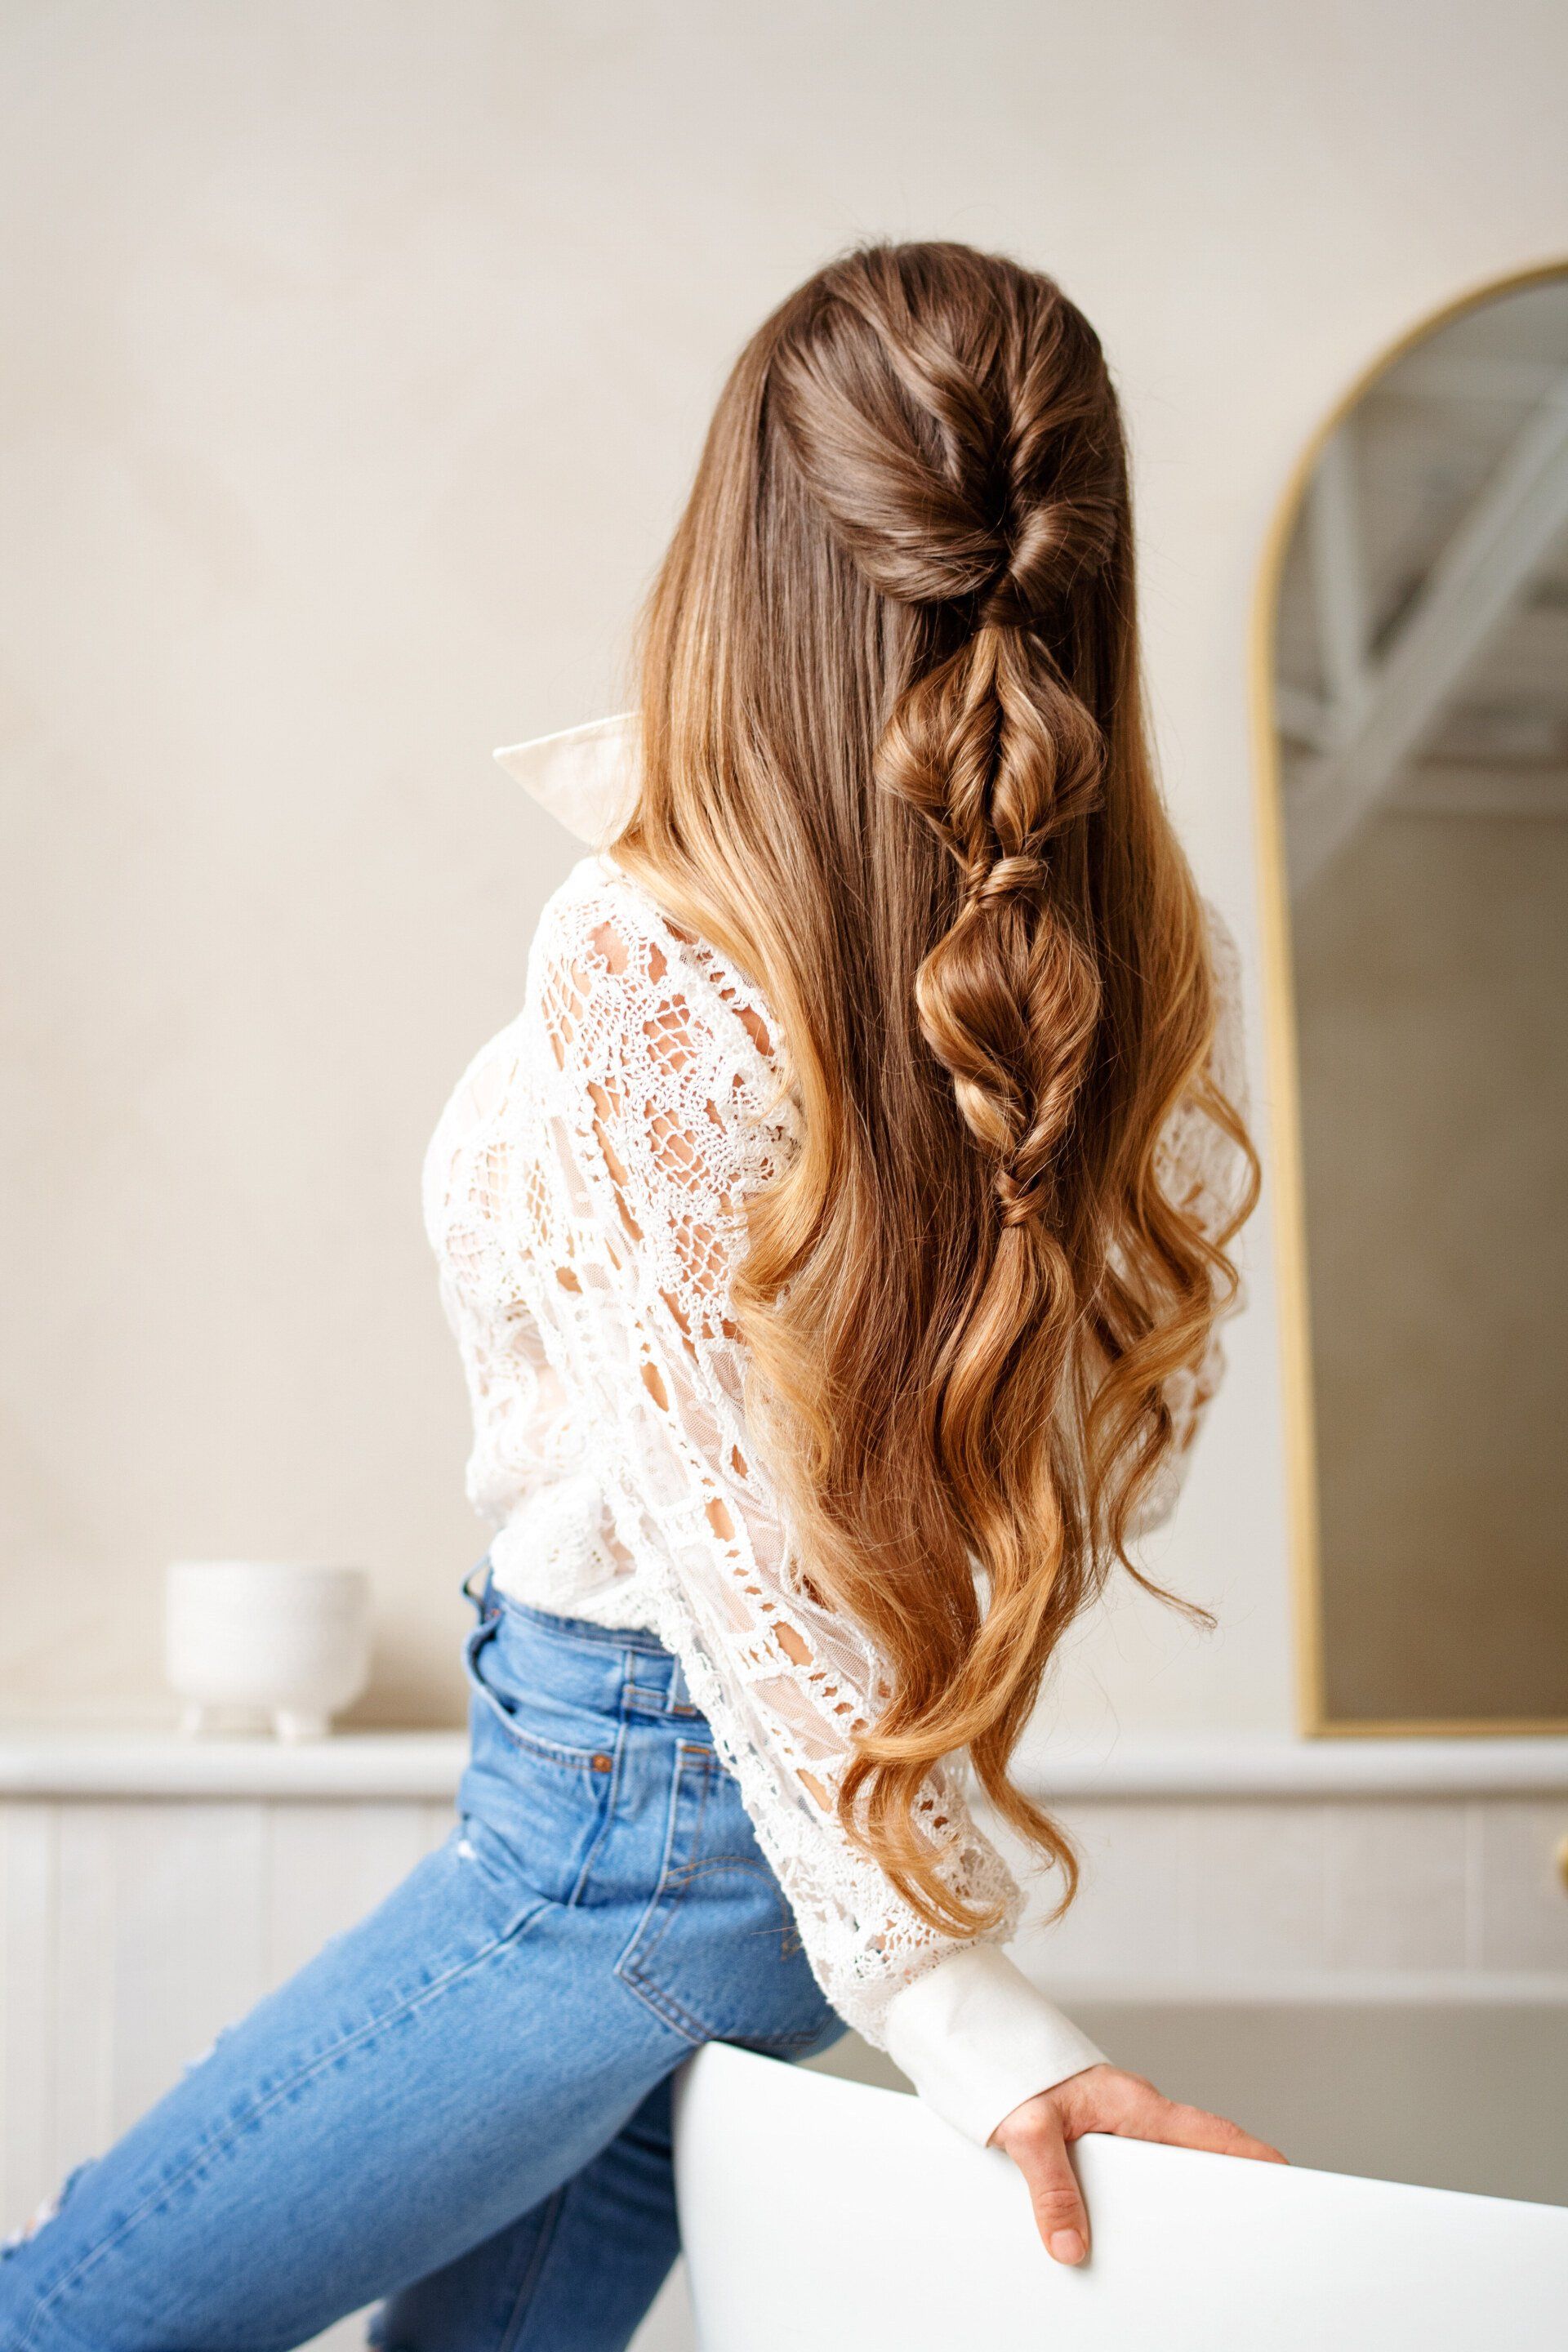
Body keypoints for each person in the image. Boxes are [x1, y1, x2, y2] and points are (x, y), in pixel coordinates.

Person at [0, 240, 1283, 2352]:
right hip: (777, 1847)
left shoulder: (645, 963)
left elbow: (730, 1568)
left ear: (752, 554)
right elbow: (950, 1486)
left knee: (66, 2318)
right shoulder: (1120, 959)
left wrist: (982, 2030)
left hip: (628, 1836)